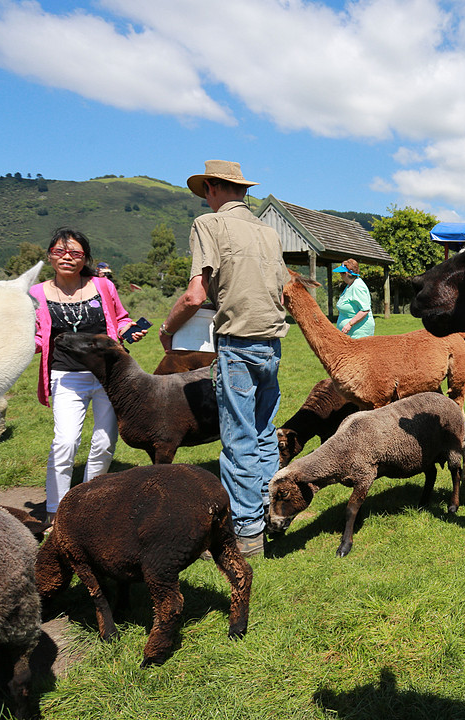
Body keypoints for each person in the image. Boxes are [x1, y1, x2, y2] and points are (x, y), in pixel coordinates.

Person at [159, 160, 289, 557]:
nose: (205, 199)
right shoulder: (269, 232)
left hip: (236, 343)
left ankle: (246, 534)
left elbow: (195, 296)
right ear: (242, 190)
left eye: (205, 192)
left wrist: (167, 330)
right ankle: (273, 516)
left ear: (214, 188)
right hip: (272, 345)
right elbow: (284, 290)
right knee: (265, 433)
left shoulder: (208, 225)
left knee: (238, 441)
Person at [30, 228, 148, 527]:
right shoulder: (36, 294)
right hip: (66, 376)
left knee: (105, 442)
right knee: (65, 442)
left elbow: (120, 319)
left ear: (85, 258)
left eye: (75, 253)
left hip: (108, 376)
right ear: (49, 256)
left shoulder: (102, 286)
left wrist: (128, 329)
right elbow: (33, 336)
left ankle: (89, 504)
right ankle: (56, 512)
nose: (67, 257)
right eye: (59, 251)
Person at [333, 258, 375, 338]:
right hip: (350, 334)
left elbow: (364, 310)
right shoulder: (350, 285)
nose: (340, 276)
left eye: (340, 273)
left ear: (345, 273)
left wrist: (349, 324)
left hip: (359, 333)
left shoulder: (358, 286)